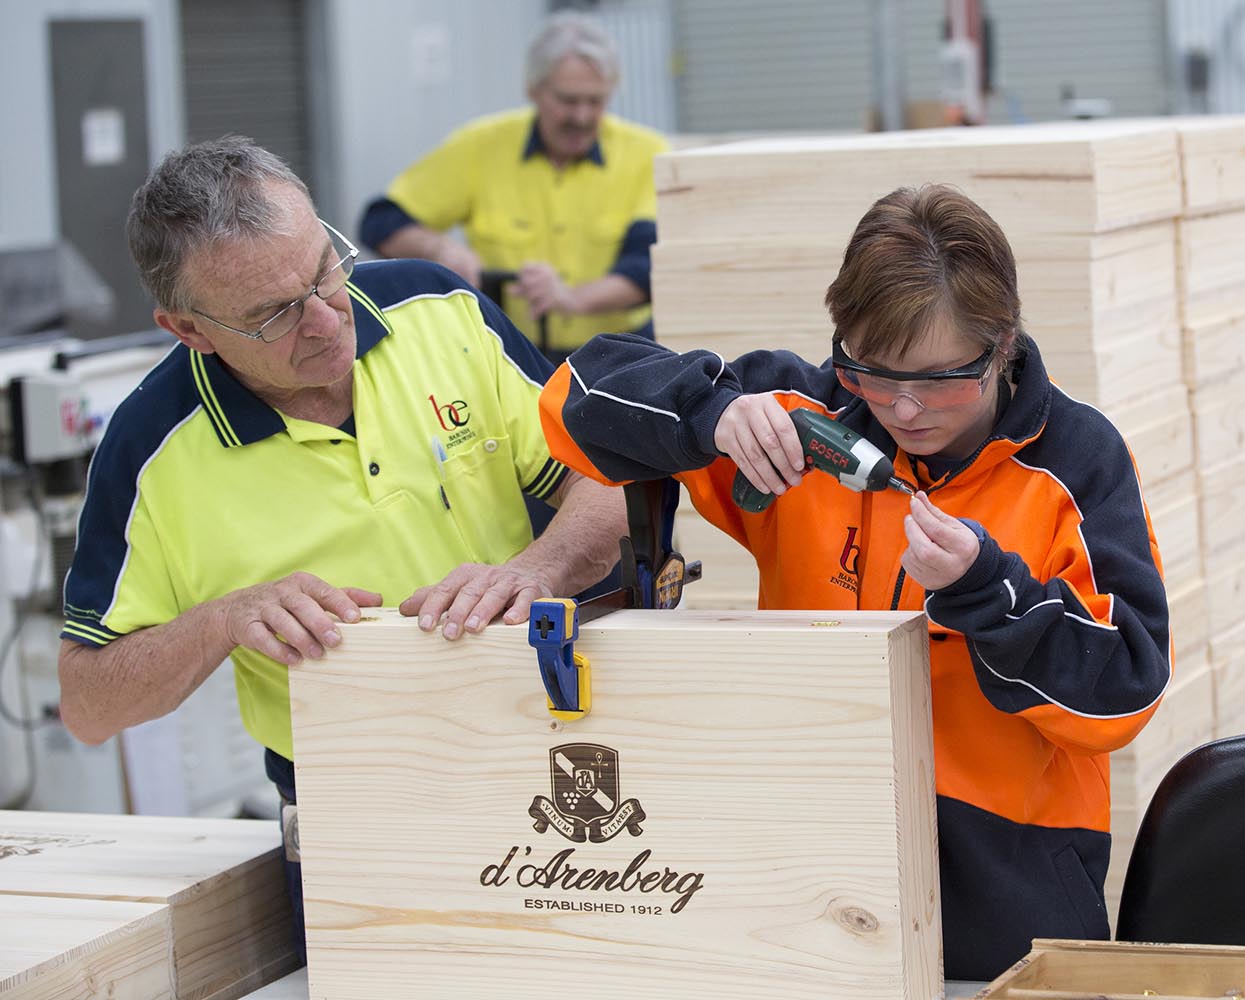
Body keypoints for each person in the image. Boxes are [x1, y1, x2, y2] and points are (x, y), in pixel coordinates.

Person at [539, 184, 1173, 980]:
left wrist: (988, 591)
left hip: (1008, 889)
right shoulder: (805, 419)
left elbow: (1125, 693)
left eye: (942, 379)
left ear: (1002, 344)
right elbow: (574, 398)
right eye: (873, 371)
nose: (904, 409)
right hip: (807, 869)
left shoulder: (1076, 464)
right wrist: (711, 415)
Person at [57, 136, 626, 959]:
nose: (327, 320)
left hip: (540, 756)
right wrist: (226, 619)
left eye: (326, 271)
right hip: (349, 803)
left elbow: (608, 482)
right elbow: (88, 703)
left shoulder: (441, 308)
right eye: (274, 314)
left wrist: (537, 568)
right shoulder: (152, 452)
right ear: (187, 329)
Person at [358, 11, 668, 365]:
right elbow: (381, 220)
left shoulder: (647, 154)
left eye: (595, 101)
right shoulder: (480, 146)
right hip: (508, 356)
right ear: (533, 89)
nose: (582, 117)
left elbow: (647, 265)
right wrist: (440, 249)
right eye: (568, 101)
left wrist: (570, 299)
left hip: (623, 356)